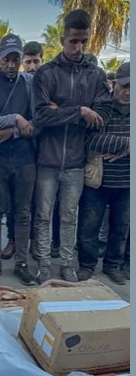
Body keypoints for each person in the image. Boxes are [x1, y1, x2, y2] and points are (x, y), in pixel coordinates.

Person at [32, 9, 112, 283]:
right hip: (47, 161)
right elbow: (40, 115)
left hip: (77, 162)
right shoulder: (46, 73)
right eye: (73, 41)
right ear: (63, 39)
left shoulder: (96, 75)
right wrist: (79, 111)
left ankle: (67, 264)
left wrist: (65, 111)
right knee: (43, 216)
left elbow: (103, 116)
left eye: (83, 42)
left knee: (69, 217)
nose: (78, 47)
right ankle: (43, 263)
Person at [0, 34, 39, 285]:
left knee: (23, 213)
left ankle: (21, 263)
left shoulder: (30, 83)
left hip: (24, 158)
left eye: (16, 59)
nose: (11, 64)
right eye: (7, 59)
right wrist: (13, 119)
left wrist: (13, 131)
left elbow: (38, 122)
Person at [77, 62, 130, 284]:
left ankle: (112, 265)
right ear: (115, 83)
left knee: (121, 228)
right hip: (98, 180)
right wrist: (127, 144)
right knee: (89, 226)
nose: (128, 92)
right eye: (125, 86)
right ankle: (86, 265)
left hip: (127, 182)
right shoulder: (102, 107)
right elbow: (92, 139)